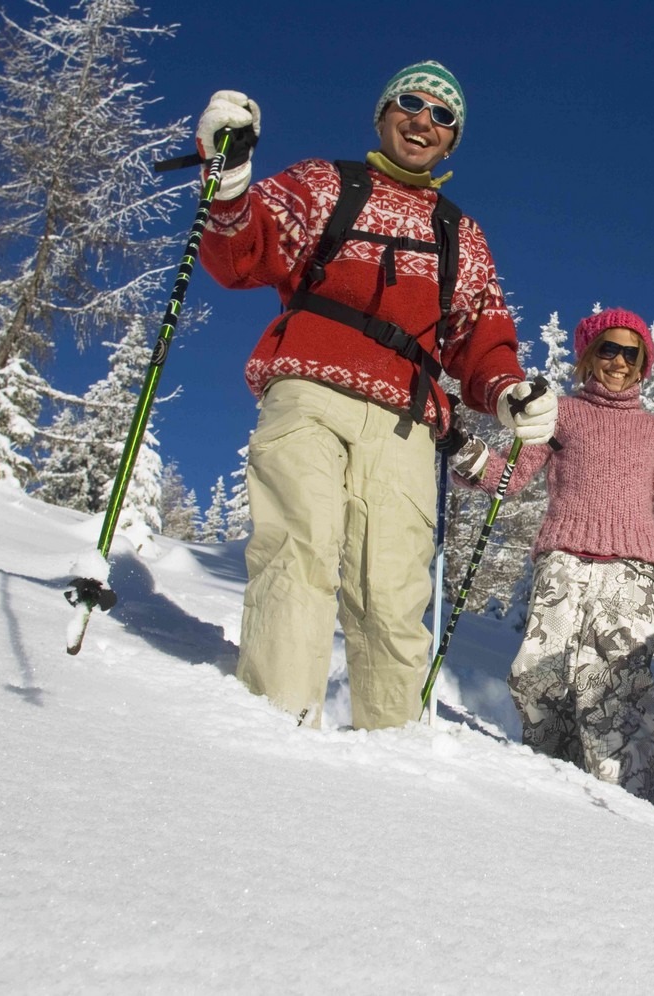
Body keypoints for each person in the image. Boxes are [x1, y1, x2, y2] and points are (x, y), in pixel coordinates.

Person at [194, 61, 557, 730]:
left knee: (392, 590)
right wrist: (230, 173)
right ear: (383, 113)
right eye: (411, 103)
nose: (423, 120)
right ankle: (276, 729)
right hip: (308, 386)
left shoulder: (461, 235)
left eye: (442, 116)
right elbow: (242, 251)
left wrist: (509, 393)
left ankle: (391, 759)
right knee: (299, 546)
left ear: (452, 141)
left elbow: (481, 337)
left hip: (406, 422)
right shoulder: (324, 184)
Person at [450, 308, 654, 800]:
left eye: (630, 353)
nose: (619, 361)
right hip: (564, 560)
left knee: (619, 686)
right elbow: (510, 477)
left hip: (632, 570)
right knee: (540, 669)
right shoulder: (562, 413)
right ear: (587, 356)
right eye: (608, 349)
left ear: (644, 363)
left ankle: (625, 802)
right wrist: (463, 451)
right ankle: (549, 780)